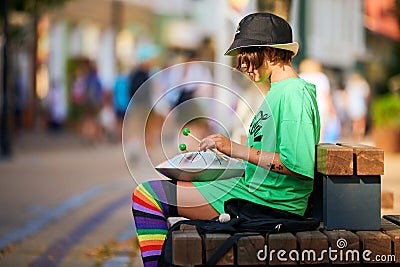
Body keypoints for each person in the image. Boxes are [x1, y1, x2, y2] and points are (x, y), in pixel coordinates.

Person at [131, 12, 320, 267]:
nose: (241, 65)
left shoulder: (293, 95)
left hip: (268, 203)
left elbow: (297, 164)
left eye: (246, 55)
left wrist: (235, 149)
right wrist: (221, 159)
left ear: (272, 53)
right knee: (161, 187)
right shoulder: (279, 92)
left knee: (146, 197)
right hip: (256, 193)